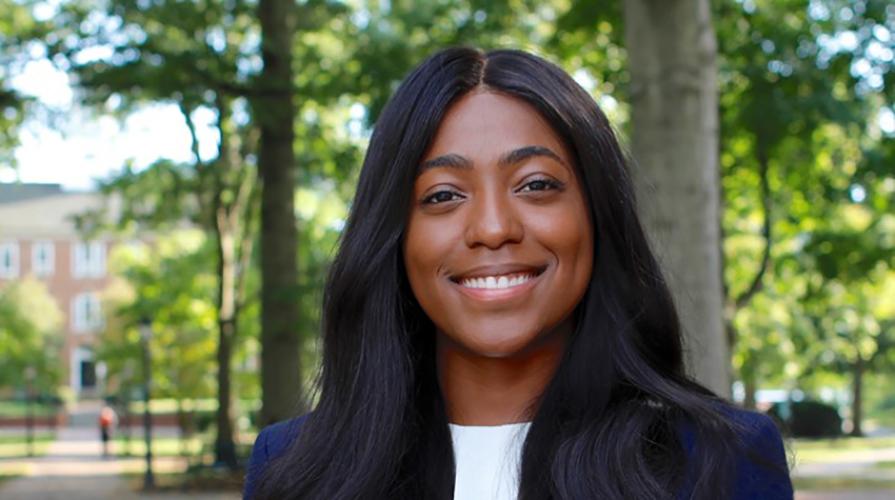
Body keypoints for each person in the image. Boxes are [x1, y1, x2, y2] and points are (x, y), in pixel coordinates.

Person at [244, 47, 793, 499]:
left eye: (535, 185)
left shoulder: (723, 460)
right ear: (394, 235)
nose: (492, 227)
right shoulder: (293, 469)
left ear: (597, 215)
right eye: (442, 195)